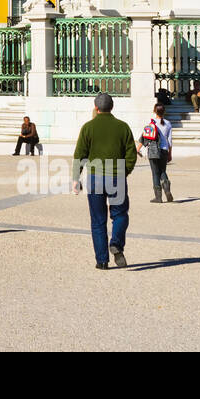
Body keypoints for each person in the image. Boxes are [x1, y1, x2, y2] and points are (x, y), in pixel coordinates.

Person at [71, 93, 137, 270]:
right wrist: (125, 172)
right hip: (116, 176)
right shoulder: (123, 127)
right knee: (120, 214)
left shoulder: (88, 127)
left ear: (96, 107)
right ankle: (116, 242)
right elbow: (131, 154)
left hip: (94, 177)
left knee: (98, 220)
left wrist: (75, 178)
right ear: (112, 107)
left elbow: (79, 155)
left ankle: (102, 261)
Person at [139, 103, 173, 203]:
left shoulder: (152, 124)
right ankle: (167, 190)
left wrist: (138, 149)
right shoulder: (168, 123)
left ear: (154, 111)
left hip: (153, 151)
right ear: (164, 112)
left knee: (155, 173)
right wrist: (170, 153)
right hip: (164, 150)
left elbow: (144, 137)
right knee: (162, 171)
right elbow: (170, 140)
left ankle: (158, 197)